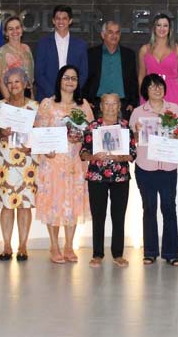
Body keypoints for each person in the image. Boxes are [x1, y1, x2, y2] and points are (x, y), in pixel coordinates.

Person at [34, 64, 94, 263]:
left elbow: (91, 133)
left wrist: (82, 138)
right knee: (54, 204)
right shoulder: (47, 104)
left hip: (75, 163)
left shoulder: (84, 105)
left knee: (73, 204)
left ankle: (69, 245)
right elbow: (38, 132)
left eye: (74, 78)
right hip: (52, 162)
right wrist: (45, 149)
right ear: (59, 80)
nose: (70, 81)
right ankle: (54, 246)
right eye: (66, 78)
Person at [128, 74, 178, 266]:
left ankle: (171, 253)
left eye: (160, 85)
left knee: (169, 208)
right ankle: (150, 252)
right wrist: (137, 132)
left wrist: (176, 134)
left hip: (168, 165)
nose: (157, 89)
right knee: (149, 208)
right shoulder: (138, 112)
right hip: (146, 166)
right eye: (152, 86)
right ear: (146, 90)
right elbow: (134, 138)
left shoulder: (174, 109)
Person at [79, 93, 137, 268]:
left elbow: (133, 153)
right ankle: (97, 254)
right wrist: (93, 156)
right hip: (97, 176)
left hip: (120, 176)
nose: (110, 107)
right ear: (101, 107)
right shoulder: (92, 127)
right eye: (107, 104)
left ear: (119, 106)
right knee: (99, 216)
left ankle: (118, 254)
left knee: (118, 216)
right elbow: (82, 153)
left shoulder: (126, 127)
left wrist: (122, 157)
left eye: (114, 104)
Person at [0, 67, 39, 261]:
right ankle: (7, 246)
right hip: (5, 159)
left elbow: (40, 132)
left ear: (25, 83)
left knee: (25, 203)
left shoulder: (35, 106)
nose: (13, 85)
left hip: (27, 160)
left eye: (17, 81)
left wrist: (32, 145)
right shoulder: (0, 106)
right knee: (7, 205)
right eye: (9, 82)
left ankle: (23, 246)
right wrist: (2, 133)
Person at [83, 20, 139, 115]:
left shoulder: (128, 54)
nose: (114, 35)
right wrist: (86, 101)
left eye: (117, 32)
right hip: (96, 105)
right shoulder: (91, 54)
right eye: (110, 32)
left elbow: (133, 80)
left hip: (122, 105)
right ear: (103, 35)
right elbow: (85, 78)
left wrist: (133, 103)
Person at [35, 5, 88, 101]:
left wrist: (71, 94)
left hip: (72, 98)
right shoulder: (43, 43)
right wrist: (54, 94)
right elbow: (39, 74)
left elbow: (83, 73)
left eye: (64, 18)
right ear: (53, 21)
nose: (61, 22)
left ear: (70, 21)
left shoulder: (80, 45)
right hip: (48, 97)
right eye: (57, 18)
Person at [137, 13, 178, 114]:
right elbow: (141, 77)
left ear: (170, 29)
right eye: (159, 25)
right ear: (154, 28)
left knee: (172, 128)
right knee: (150, 127)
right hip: (151, 94)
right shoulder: (144, 50)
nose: (162, 28)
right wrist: (142, 97)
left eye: (165, 25)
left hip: (172, 93)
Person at [0, 15, 35, 99]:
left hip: (26, 95)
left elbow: (29, 78)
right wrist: (10, 101)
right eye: (10, 29)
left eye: (17, 28)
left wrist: (31, 98)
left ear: (22, 30)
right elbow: (0, 80)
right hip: (11, 94)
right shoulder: (2, 52)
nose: (15, 31)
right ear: (6, 33)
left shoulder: (26, 49)